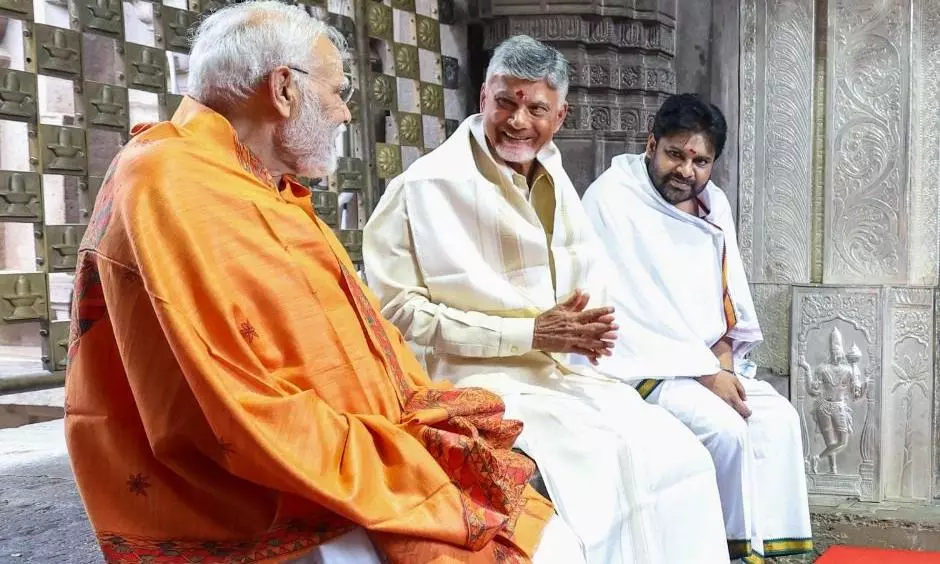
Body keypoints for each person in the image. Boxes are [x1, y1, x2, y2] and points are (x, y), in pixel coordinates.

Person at [64, 4, 585, 563]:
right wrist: (393, 461)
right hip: (281, 483)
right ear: (283, 88)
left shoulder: (257, 181)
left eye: (538, 108)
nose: (344, 112)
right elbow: (231, 398)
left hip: (360, 435)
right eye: (338, 91)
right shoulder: (170, 182)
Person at [363, 35, 729, 564]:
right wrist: (529, 333)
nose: (517, 121)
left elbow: (586, 276)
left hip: (564, 376)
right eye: (504, 102)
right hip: (473, 381)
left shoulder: (553, 172)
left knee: (682, 456)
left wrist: (585, 331)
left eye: (536, 109)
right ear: (483, 98)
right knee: (590, 480)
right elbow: (394, 315)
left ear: (561, 115)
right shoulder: (422, 187)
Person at [580, 93, 813, 562]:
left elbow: (727, 294)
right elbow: (629, 313)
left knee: (779, 421)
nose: (686, 171)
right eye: (675, 154)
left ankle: (762, 550)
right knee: (726, 432)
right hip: (639, 367)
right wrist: (707, 373)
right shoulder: (612, 200)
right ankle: (725, 553)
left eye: (700, 161)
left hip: (704, 361)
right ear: (651, 144)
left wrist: (722, 362)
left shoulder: (713, 203)